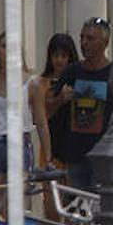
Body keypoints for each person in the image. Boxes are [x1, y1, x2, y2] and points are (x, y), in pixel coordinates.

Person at [0, 34, 51, 184]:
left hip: (20, 144)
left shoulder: (33, 84)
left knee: (18, 199)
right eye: (4, 46)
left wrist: (48, 158)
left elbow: (41, 123)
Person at [52, 17, 113, 189]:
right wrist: (60, 99)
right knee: (75, 209)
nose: (83, 43)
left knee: (100, 209)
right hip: (76, 157)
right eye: (82, 38)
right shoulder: (72, 71)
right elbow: (46, 110)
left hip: (105, 158)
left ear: (105, 42)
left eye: (90, 38)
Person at [38, 33, 79, 172]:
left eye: (63, 56)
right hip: (50, 147)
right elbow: (41, 115)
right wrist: (59, 99)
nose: (59, 60)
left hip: (74, 147)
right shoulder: (42, 83)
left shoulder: (79, 79)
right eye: (55, 55)